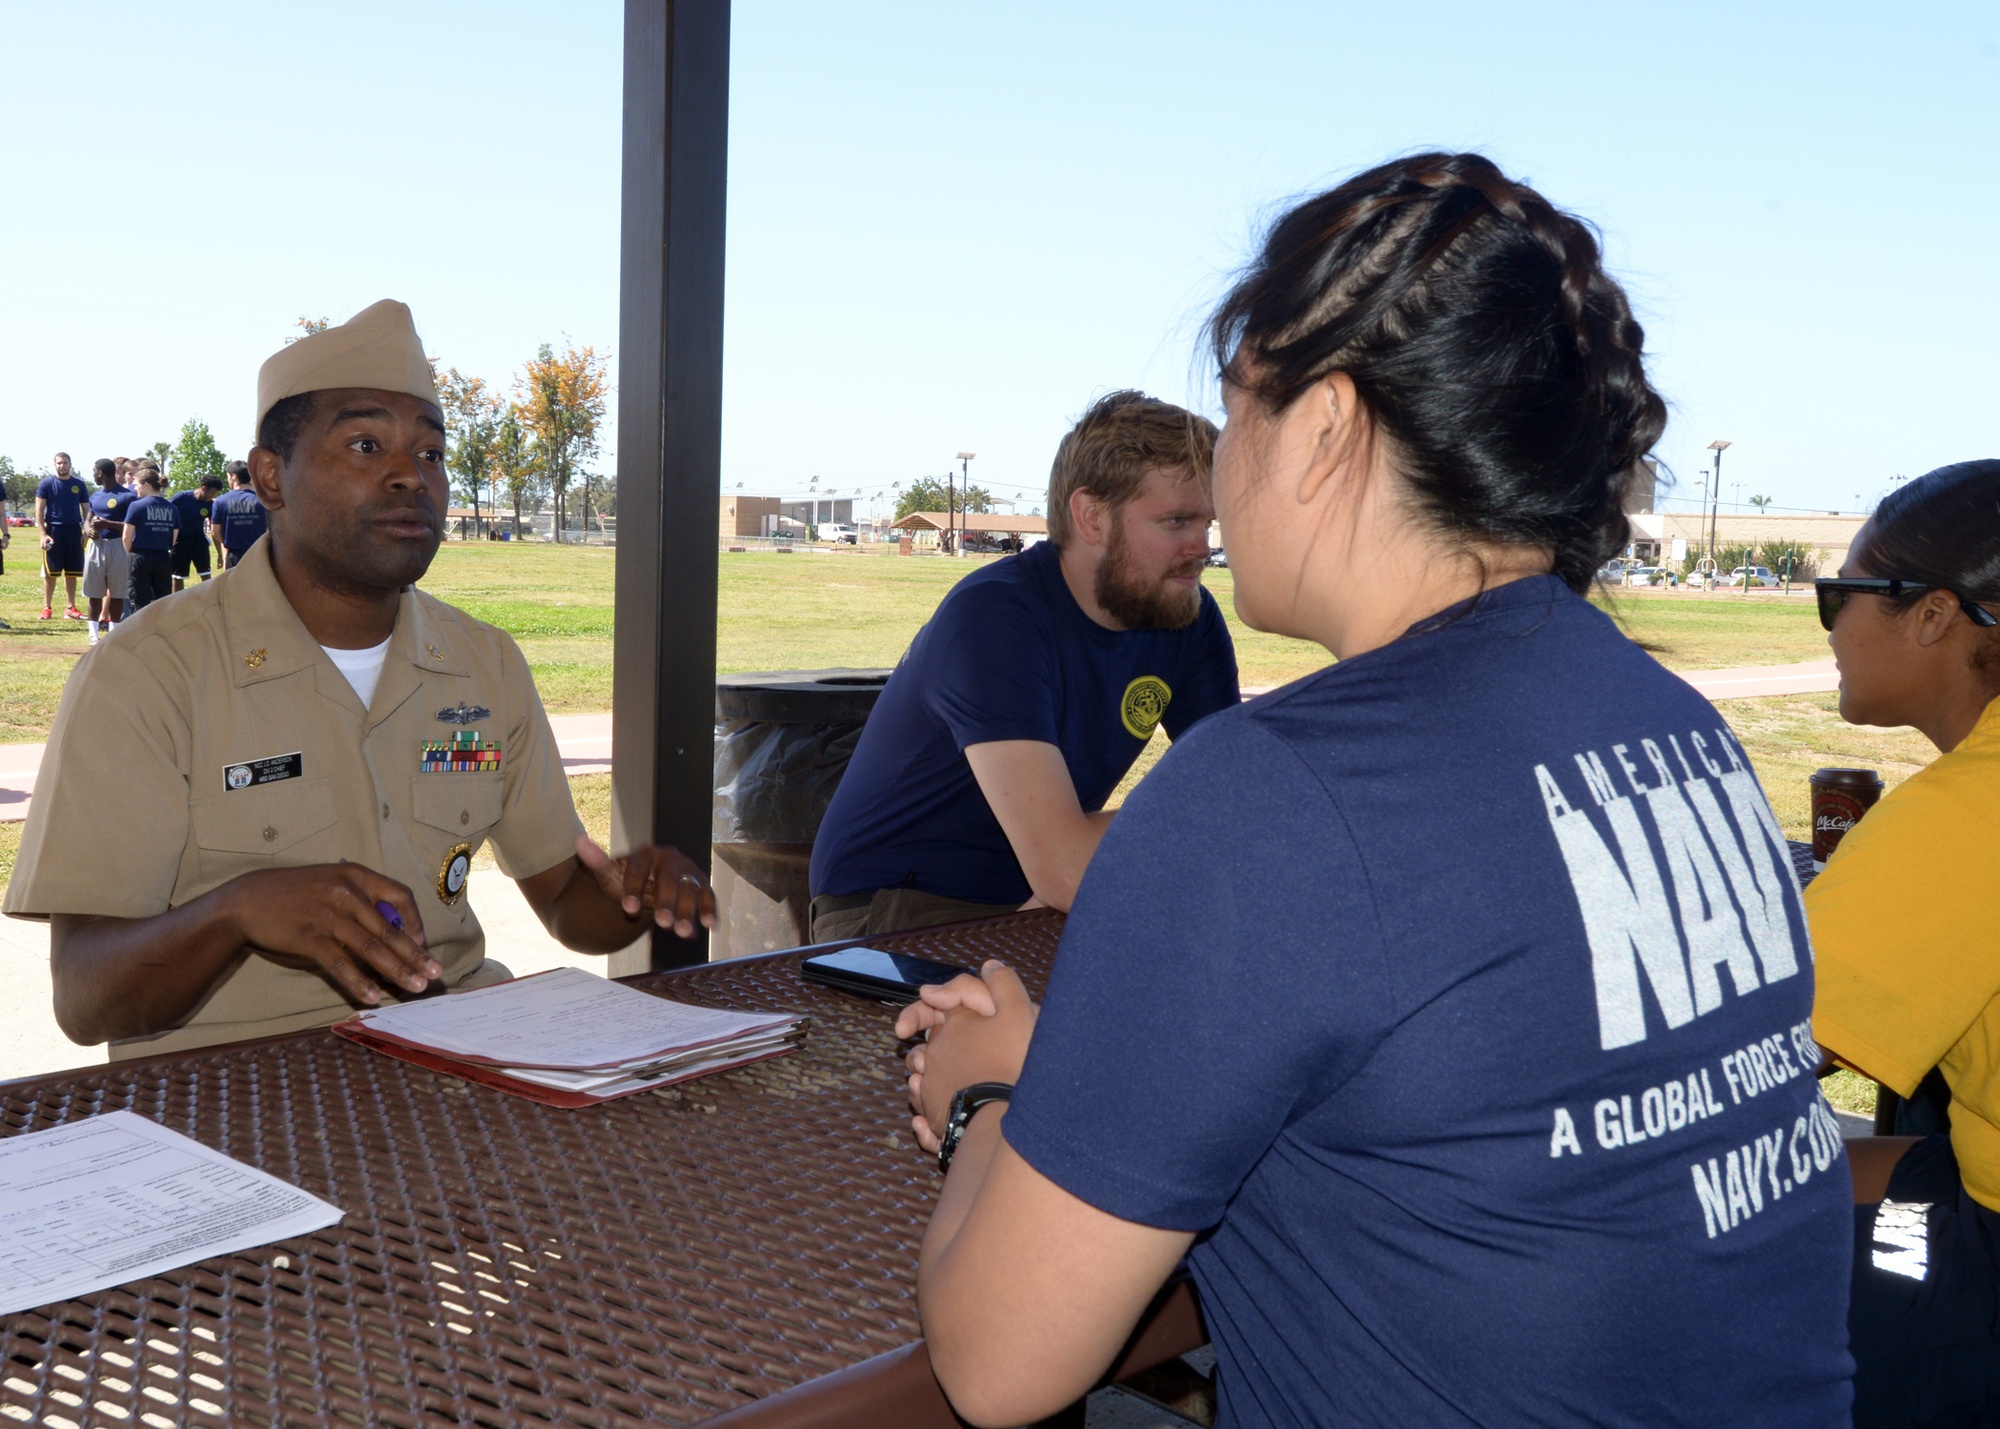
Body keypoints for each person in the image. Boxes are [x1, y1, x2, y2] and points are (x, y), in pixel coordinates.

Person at [894, 154, 1855, 1428]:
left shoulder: (1275, 797)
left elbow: (994, 1363)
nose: (1223, 474)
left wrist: (987, 1096)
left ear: (1330, 429)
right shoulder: (1674, 724)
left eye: (1237, 415)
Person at [5, 299, 716, 1059]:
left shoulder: (484, 664)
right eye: (367, 444)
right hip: (231, 1094)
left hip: (459, 1058)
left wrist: (635, 894)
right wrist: (235, 913)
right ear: (272, 477)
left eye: (433, 454)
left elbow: (569, 906)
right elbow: (86, 998)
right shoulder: (148, 676)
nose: (412, 476)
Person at [808, 391, 1239, 941]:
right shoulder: (994, 618)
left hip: (1040, 896)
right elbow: (1066, 869)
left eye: (1209, 522)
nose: (1201, 547)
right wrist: (1198, 824)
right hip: (896, 909)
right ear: (1091, 516)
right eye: (1177, 521)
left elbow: (1243, 794)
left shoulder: (1187, 618)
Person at [1802, 460, 2000, 1426]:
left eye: (1843, 594)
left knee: (1689, 1220)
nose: (1831, 624)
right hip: (1975, 1169)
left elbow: (1750, 1063)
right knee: (1804, 1170)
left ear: (1933, 615)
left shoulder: (1967, 810)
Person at [81, 459, 133, 644]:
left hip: (118, 545)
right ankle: (93, 633)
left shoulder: (127, 497)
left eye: (94, 471)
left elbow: (130, 526)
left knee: (118, 591)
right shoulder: (95, 497)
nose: (93, 475)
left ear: (101, 473)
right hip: (97, 546)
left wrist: (107, 524)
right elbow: (88, 519)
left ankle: (114, 632)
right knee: (94, 591)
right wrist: (89, 530)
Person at [35, 452, 87, 620]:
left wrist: (86, 533)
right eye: (59, 463)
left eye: (64, 463)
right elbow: (39, 510)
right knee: (51, 573)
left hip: (74, 531)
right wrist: (43, 534)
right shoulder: (47, 484)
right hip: (54, 532)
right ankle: (46, 608)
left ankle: (70, 607)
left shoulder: (79, 485)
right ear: (54, 464)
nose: (61, 466)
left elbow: (87, 511)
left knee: (72, 572)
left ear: (70, 464)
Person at [120, 472, 179, 613]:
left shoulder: (136, 506)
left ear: (146, 485)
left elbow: (126, 537)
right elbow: (174, 537)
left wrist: (130, 555)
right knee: (163, 600)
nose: (135, 489)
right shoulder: (172, 508)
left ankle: (140, 632)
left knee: (139, 600)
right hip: (163, 557)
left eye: (137, 485)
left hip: (139, 556)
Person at [210, 460, 268, 569]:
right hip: (259, 554)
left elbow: (215, 531)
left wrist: (228, 542)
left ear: (234, 477)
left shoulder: (220, 501)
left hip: (234, 555)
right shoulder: (263, 501)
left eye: (227, 476)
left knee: (235, 585)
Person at [171, 473, 224, 590]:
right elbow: (167, 513)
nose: (213, 496)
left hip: (199, 542)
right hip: (180, 542)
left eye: (216, 494)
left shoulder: (210, 505)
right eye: (212, 492)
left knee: (206, 575)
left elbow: (214, 529)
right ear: (204, 488)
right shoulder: (181, 498)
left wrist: (220, 554)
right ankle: (178, 603)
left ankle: (207, 602)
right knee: (178, 577)